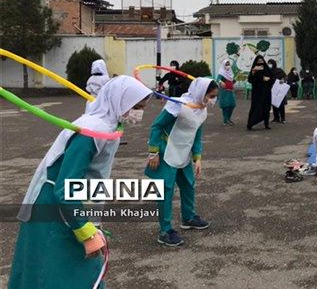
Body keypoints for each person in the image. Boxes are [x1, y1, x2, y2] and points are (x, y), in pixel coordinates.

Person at [10, 76, 152, 288]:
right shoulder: (92, 130)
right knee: (53, 271)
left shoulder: (108, 125)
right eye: (136, 106)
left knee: (72, 270)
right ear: (119, 100)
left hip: (71, 205)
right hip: (54, 209)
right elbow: (66, 187)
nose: (139, 112)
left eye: (141, 107)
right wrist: (85, 230)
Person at [145, 77, 217, 247]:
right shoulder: (178, 104)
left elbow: (197, 134)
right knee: (166, 191)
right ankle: (165, 230)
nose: (213, 100)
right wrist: (153, 152)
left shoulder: (202, 110)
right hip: (167, 152)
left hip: (184, 153)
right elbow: (156, 126)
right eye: (212, 96)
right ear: (202, 93)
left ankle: (189, 217)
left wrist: (197, 157)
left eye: (215, 96)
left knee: (188, 185)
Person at [246, 56, 272, 130]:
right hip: (257, 92)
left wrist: (268, 79)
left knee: (266, 108)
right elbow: (250, 80)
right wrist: (253, 73)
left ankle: (266, 124)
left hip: (266, 92)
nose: (260, 62)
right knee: (255, 107)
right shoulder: (254, 69)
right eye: (259, 61)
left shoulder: (267, 69)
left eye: (262, 60)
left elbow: (272, 78)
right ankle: (250, 124)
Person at [216, 58, 236, 126]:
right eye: (226, 64)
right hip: (224, 92)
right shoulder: (221, 73)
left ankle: (228, 118)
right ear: (223, 65)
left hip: (231, 91)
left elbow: (232, 79)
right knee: (225, 106)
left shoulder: (231, 72)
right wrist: (221, 82)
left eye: (228, 64)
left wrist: (233, 81)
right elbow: (218, 79)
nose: (228, 65)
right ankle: (225, 120)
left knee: (232, 105)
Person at [268, 59, 287, 124]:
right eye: (268, 63)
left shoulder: (279, 71)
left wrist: (283, 80)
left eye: (271, 63)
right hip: (272, 89)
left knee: (281, 105)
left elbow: (285, 76)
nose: (269, 65)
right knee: (274, 104)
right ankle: (276, 118)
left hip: (279, 89)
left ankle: (283, 118)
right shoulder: (268, 71)